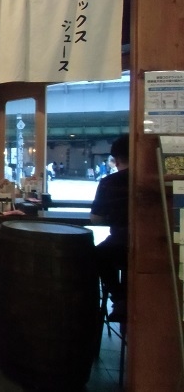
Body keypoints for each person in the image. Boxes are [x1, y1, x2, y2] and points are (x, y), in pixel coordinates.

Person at [90, 135, 129, 321]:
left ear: (117, 160)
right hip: (157, 248)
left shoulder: (109, 182)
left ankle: (119, 298)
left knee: (98, 255)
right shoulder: (152, 179)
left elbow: (96, 219)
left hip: (121, 243)